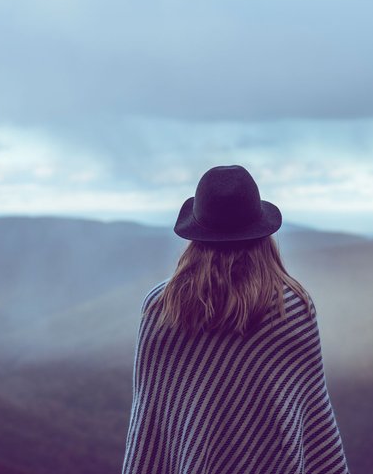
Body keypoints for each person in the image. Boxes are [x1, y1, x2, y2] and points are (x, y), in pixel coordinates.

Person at [122, 165, 350, 474]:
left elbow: (149, 436)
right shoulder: (294, 309)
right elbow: (316, 436)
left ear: (196, 235)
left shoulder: (160, 308)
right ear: (263, 234)